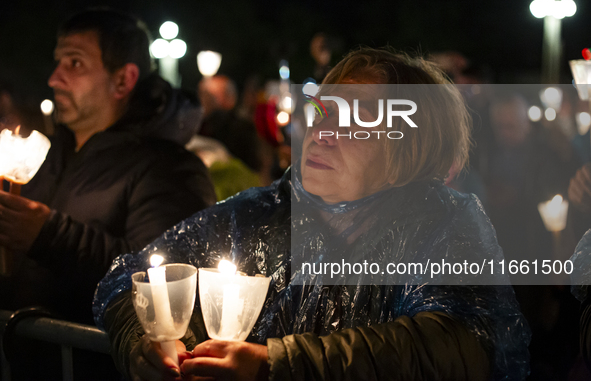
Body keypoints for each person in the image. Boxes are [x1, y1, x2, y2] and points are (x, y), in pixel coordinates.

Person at [94, 47, 530, 380]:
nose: (323, 133)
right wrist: (149, 339)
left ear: (411, 144)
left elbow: (459, 341)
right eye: (323, 110)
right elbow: (130, 278)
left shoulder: (445, 223)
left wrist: (276, 365)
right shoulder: (256, 215)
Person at [0, 8, 216, 324]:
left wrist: (48, 235)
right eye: (58, 62)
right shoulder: (56, 155)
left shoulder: (169, 168)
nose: (54, 78)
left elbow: (166, 280)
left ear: (122, 80)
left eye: (75, 63)